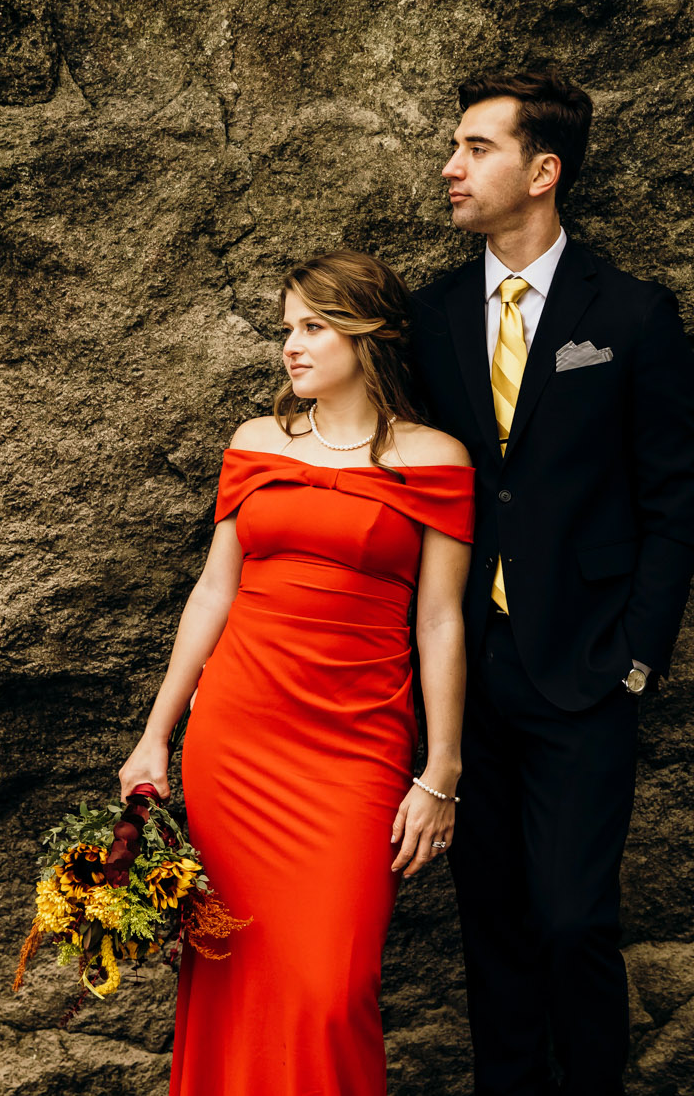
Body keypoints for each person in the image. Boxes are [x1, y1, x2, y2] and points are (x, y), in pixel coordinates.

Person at [409, 70, 694, 1095]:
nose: (451, 167)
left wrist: (634, 661)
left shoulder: (627, 315)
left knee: (573, 918)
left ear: (543, 171)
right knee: (488, 921)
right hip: (469, 673)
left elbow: (675, 503)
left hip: (585, 673)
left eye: (476, 148)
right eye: (454, 147)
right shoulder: (435, 314)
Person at [119, 250, 474, 1096]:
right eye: (288, 327)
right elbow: (212, 593)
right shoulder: (256, 442)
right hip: (236, 742)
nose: (292, 345)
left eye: (313, 326)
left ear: (369, 335)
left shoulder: (438, 459)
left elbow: (441, 621)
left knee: (331, 986)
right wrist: (154, 737)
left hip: (356, 749)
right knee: (228, 968)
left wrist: (443, 771)